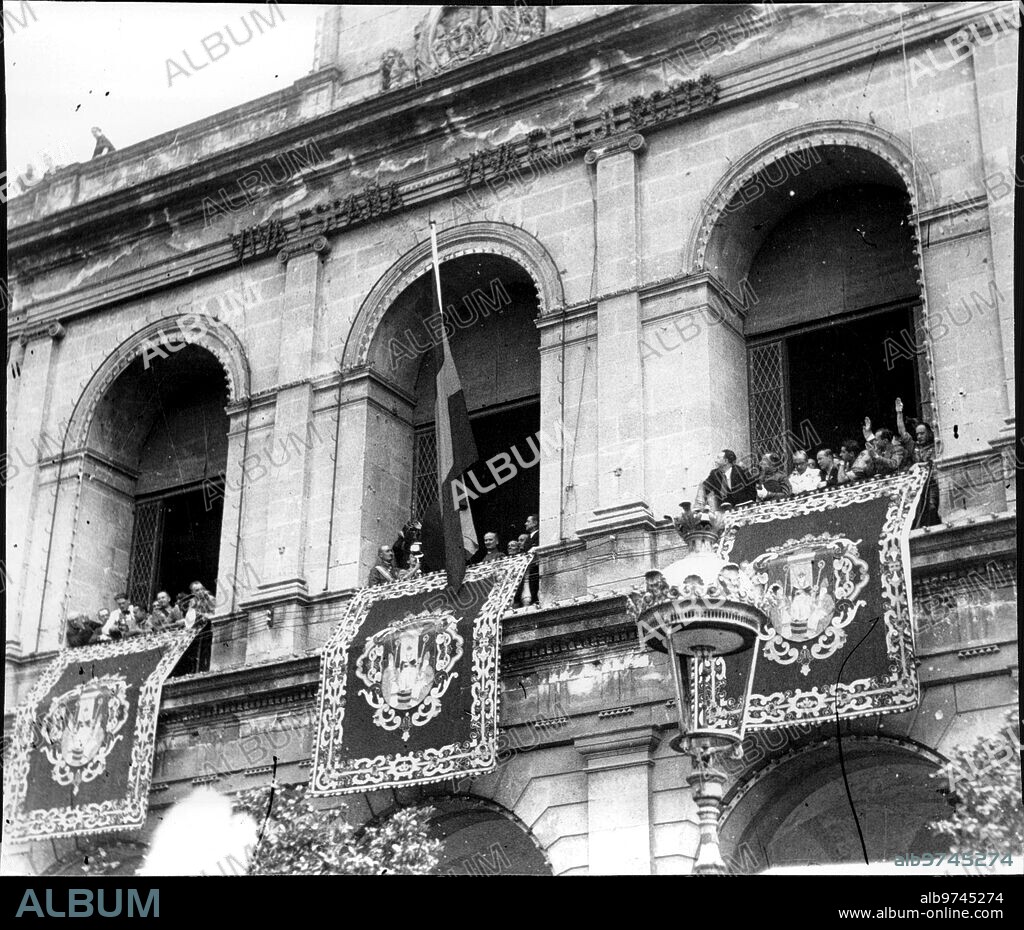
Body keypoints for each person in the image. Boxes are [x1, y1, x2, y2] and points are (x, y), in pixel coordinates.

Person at [895, 397, 941, 526]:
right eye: (918, 434)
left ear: (929, 433)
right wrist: (899, 413)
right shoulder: (914, 446)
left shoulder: (935, 446)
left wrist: (918, 464)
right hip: (917, 485)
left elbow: (933, 462)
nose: (919, 436)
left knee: (932, 507)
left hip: (932, 483)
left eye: (922, 433)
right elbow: (902, 432)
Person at [523, 515, 540, 604]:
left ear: (535, 523)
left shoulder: (539, 534)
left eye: (528, 521)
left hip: (535, 566)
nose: (525, 524)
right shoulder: (528, 538)